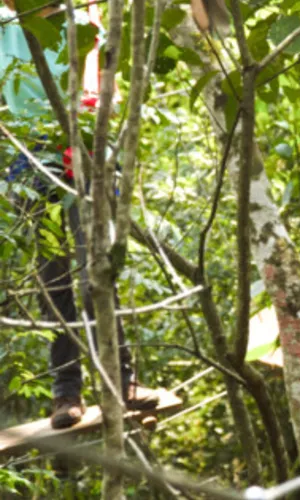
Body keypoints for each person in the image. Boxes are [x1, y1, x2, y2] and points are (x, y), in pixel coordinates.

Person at [1, 1, 158, 430]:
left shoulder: (83, 18)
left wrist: (93, 138)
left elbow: (104, 86)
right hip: (32, 159)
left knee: (96, 276)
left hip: (85, 145)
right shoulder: (5, 25)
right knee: (54, 280)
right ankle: (66, 392)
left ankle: (122, 381)